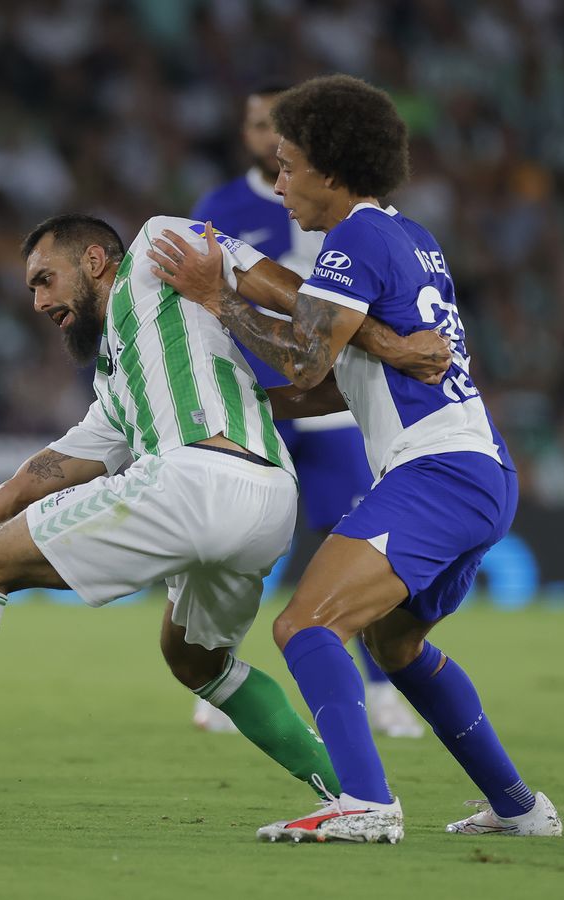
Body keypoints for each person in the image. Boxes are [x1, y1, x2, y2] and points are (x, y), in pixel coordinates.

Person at [0, 213, 449, 805]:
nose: (38, 301)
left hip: (196, 479)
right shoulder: (120, 391)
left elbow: (292, 291)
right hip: (266, 503)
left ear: (94, 260)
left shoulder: (160, 243)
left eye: (46, 279)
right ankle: (354, 791)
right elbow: (18, 488)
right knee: (194, 661)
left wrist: (387, 345)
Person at [147, 74, 561, 842]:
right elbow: (339, 380)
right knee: (396, 644)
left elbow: (304, 360)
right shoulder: (412, 237)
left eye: (290, 166)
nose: (279, 186)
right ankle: (519, 808)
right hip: (477, 468)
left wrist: (217, 298)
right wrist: (243, 415)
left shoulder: (355, 240)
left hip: (436, 472)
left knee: (305, 623)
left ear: (333, 171)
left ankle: (367, 804)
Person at [189, 83, 421, 739]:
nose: (266, 137)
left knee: (355, 550)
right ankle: (216, 677)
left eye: (276, 127)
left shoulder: (351, 218)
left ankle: (382, 693)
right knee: (240, 547)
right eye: (255, 123)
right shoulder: (221, 208)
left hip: (334, 410)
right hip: (258, 404)